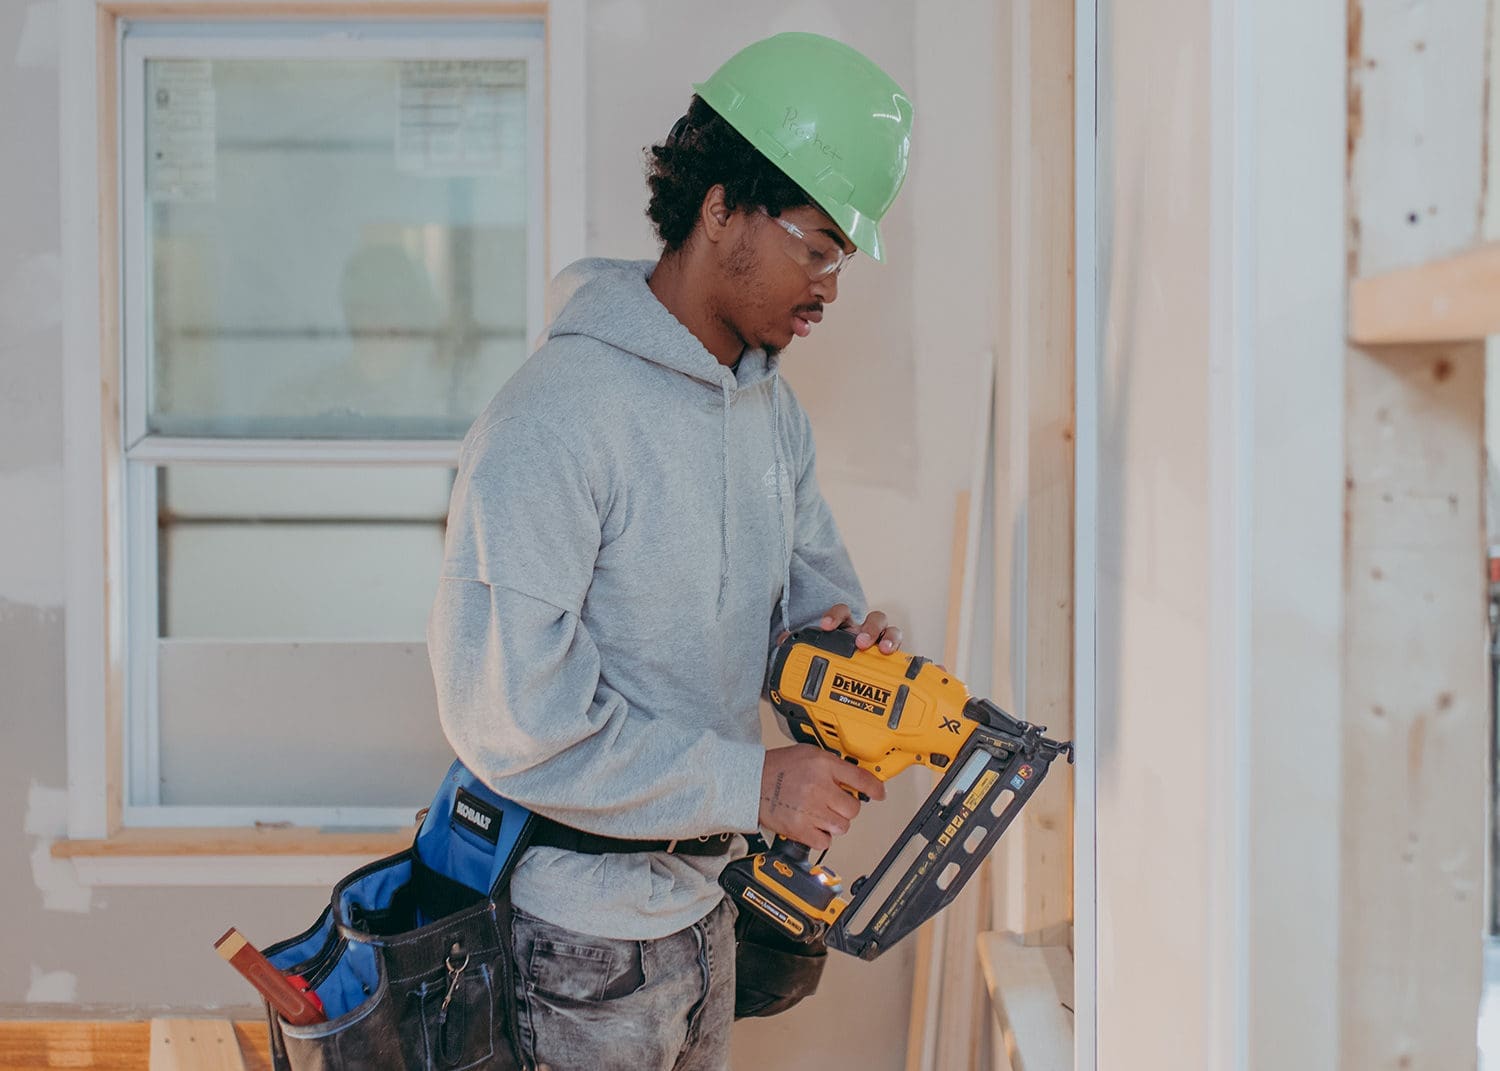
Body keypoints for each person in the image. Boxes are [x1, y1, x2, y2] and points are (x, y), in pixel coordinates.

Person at [426, 31, 914, 1071]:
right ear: (720, 207)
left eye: (844, 259)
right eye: (817, 246)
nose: (830, 286)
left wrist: (840, 654)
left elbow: (809, 590)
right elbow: (520, 721)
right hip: (584, 939)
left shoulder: (769, 413)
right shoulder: (557, 421)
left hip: (706, 905)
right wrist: (761, 789)